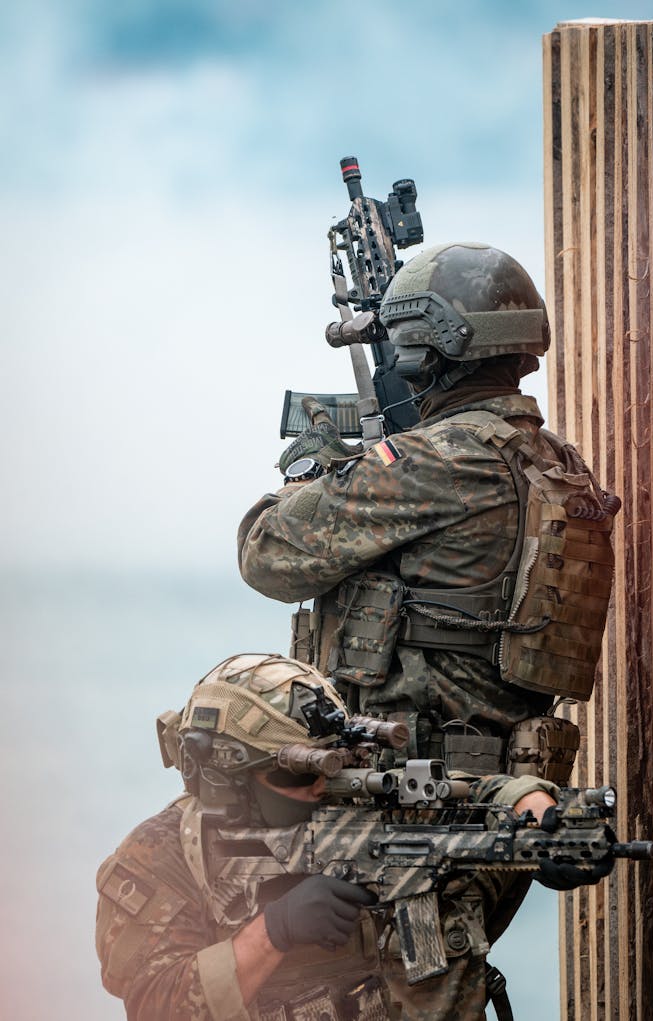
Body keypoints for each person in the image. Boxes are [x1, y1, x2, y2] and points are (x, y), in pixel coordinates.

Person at [238, 242, 616, 776]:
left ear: (425, 350)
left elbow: (267, 555)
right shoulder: (554, 459)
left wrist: (314, 472)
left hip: (406, 775)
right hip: (506, 775)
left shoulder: (433, 461)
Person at [95, 652, 570, 1021]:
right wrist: (273, 931)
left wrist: (535, 810)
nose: (328, 785)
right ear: (231, 779)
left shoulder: (359, 798)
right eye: (305, 775)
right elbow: (156, 1005)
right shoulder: (161, 857)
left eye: (341, 762)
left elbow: (470, 795)